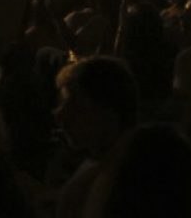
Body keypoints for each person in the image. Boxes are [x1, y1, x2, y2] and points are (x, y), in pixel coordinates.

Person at [54, 56, 139, 218]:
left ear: (108, 111)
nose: (59, 114)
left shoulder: (126, 182)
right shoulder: (100, 165)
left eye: (74, 105)